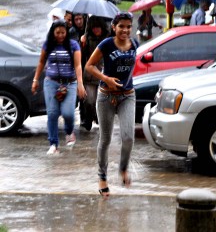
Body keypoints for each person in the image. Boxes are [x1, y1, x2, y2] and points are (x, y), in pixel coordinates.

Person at [85, 11, 139, 198]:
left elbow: (131, 68)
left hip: (127, 96)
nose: (125, 30)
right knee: (105, 139)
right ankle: (102, 177)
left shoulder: (135, 44)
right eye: (121, 26)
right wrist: (105, 78)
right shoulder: (106, 44)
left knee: (128, 137)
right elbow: (89, 66)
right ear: (114, 27)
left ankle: (123, 169)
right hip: (106, 97)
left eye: (128, 26)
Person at [31, 19, 86, 155]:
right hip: (51, 82)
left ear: (66, 32)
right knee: (52, 114)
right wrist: (36, 79)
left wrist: (80, 84)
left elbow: (78, 65)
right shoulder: (47, 45)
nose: (60, 35)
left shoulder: (73, 45)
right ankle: (53, 144)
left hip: (70, 83)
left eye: (63, 32)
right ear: (53, 32)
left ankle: (69, 131)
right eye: (57, 32)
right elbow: (41, 62)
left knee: (68, 113)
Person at [80, 16, 109, 131]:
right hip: (89, 75)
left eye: (98, 27)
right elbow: (81, 57)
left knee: (102, 102)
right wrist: (82, 43)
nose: (96, 30)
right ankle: (89, 120)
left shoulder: (108, 38)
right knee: (90, 100)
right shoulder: (87, 39)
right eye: (94, 28)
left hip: (104, 74)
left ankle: (100, 120)